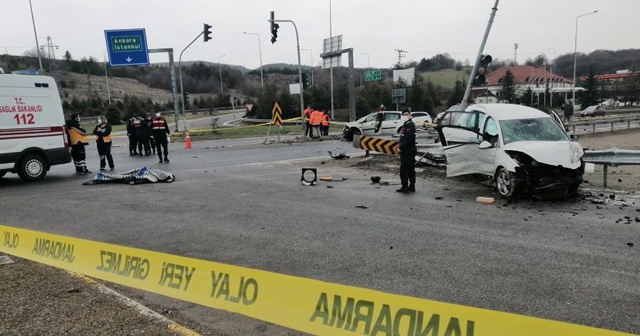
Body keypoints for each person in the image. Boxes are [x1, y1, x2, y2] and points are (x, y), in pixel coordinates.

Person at [396, 109, 416, 193]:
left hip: (408, 151)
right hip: (409, 150)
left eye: (406, 114)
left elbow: (407, 139)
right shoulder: (405, 125)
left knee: (404, 169)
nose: (405, 116)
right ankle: (411, 186)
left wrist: (400, 147)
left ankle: (405, 187)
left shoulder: (409, 125)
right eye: (403, 114)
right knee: (410, 169)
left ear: (410, 115)